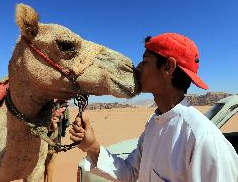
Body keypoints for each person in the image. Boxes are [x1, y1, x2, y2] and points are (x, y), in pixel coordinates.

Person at [68, 33, 238, 182]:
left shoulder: (202, 138)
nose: (137, 67)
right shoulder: (154, 124)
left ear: (168, 67)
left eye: (145, 61)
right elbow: (131, 172)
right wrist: (93, 146)